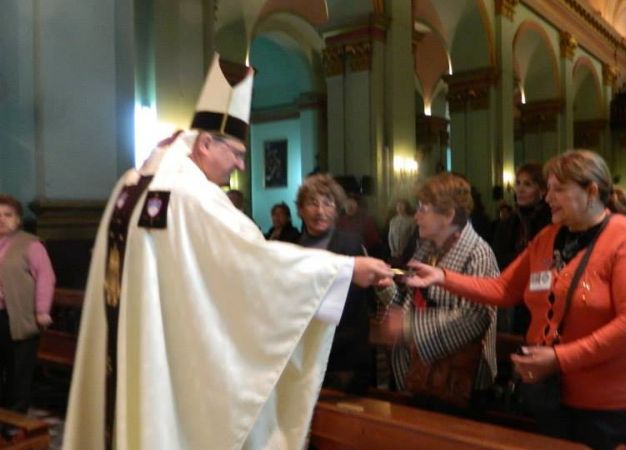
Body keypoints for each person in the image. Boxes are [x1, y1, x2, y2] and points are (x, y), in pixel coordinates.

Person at [62, 54, 393, 450]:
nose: (239, 165)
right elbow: (254, 264)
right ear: (206, 143)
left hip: (135, 346)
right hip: (165, 357)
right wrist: (345, 270)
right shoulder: (192, 196)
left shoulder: (133, 184)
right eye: (235, 153)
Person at [406, 150, 626, 450]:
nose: (548, 197)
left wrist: (560, 358)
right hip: (552, 397)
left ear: (591, 191)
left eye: (558, 189)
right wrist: (443, 277)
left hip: (611, 405)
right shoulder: (548, 237)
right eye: (548, 189)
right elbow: (503, 289)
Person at [378, 173, 499, 408]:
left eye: (423, 209)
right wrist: (385, 287)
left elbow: (474, 317)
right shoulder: (428, 249)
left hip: (459, 380)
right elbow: (413, 303)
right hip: (423, 372)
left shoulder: (478, 254)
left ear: (448, 215)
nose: (416, 216)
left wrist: (408, 326)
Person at [295, 174, 373, 393]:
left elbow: (355, 301)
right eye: (312, 203)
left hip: (344, 353)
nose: (320, 211)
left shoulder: (351, 243)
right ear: (300, 210)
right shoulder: (292, 248)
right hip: (305, 352)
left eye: (328, 204)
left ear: (337, 210)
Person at [0, 194, 56, 414]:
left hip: (20, 316)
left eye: (8, 215)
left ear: (18, 220)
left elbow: (46, 278)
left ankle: (16, 416)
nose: (2, 219)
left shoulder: (30, 244)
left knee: (18, 370)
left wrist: (42, 311)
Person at [491, 163, 551, 333]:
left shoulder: (550, 222)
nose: (520, 189)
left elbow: (547, 260)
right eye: (518, 183)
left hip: (543, 294)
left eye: (528, 184)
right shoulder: (508, 223)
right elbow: (497, 258)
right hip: (514, 294)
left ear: (542, 190)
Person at [387, 199, 416, 266]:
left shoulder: (411, 221)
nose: (399, 207)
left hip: (407, 253)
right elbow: (390, 236)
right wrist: (393, 250)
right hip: (394, 253)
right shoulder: (393, 220)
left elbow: (412, 237)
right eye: (398, 205)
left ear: (406, 206)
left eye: (402, 205)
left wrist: (405, 251)